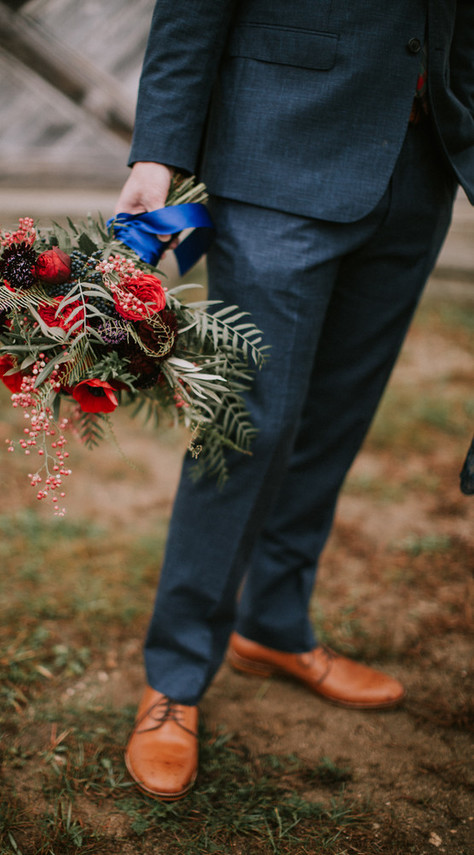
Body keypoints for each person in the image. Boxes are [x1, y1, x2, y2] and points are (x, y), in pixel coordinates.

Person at [114, 1, 474, 801]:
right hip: (278, 154)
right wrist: (160, 153)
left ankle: (273, 623)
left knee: (337, 417)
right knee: (247, 426)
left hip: (420, 168)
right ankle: (175, 675)